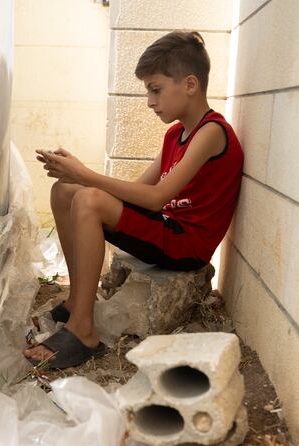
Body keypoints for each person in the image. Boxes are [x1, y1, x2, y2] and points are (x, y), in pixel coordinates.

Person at [24, 31, 244, 369]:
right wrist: (74, 176)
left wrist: (86, 176)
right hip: (166, 229)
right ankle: (75, 302)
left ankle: (83, 331)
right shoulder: (175, 134)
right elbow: (140, 191)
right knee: (65, 191)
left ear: (189, 85)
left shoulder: (213, 132)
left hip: (186, 244)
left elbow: (155, 199)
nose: (150, 101)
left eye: (155, 89)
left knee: (88, 199)